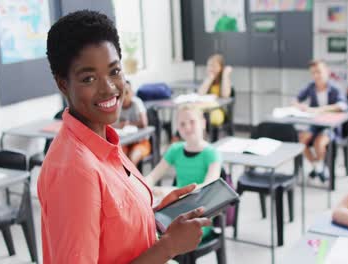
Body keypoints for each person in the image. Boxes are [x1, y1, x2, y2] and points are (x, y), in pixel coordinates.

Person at [38, 10, 210, 263]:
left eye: (114, 71)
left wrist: (154, 212)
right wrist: (168, 247)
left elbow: (112, 228)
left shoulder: (105, 141)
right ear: (63, 84)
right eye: (89, 78)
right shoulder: (75, 171)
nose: (108, 87)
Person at [146, 104, 222, 239]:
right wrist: (145, 187)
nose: (187, 127)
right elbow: (152, 176)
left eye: (192, 122)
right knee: (148, 228)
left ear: (203, 123)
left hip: (199, 215)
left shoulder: (212, 153)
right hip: (178, 210)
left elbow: (208, 187)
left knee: (161, 236)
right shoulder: (175, 149)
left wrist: (170, 191)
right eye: (182, 124)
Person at [292, 60, 348, 182]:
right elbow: (296, 99)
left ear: (326, 72)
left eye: (319, 72)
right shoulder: (311, 86)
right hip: (314, 125)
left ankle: (323, 168)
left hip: (330, 127)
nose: (316, 75)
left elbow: (343, 105)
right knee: (301, 139)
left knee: (319, 143)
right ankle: (317, 166)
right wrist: (299, 106)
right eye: (313, 73)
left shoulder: (335, 88)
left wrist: (320, 110)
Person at [114, 80, 151, 165]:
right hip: (125, 142)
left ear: (132, 93)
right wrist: (120, 125)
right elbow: (110, 125)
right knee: (119, 158)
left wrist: (127, 124)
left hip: (141, 142)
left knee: (132, 159)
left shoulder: (137, 103)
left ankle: (131, 178)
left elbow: (144, 123)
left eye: (127, 92)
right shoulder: (117, 105)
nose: (124, 96)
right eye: (121, 93)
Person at [197, 54, 233, 127]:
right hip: (205, 108)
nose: (210, 68)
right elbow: (200, 93)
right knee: (193, 114)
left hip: (218, 109)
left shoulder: (224, 80)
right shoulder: (208, 80)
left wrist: (225, 75)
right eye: (209, 65)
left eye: (213, 66)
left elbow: (225, 95)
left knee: (212, 118)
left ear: (221, 68)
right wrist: (209, 79)